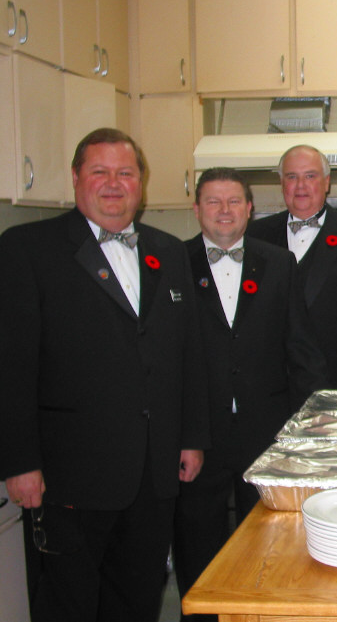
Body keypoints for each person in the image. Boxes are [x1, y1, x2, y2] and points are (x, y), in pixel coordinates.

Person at [0, 128, 209, 622]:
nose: (114, 184)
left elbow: (187, 353)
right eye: (100, 172)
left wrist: (192, 437)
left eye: (125, 173)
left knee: (137, 601)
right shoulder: (27, 248)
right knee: (67, 605)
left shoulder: (168, 251)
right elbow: (11, 363)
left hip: (152, 474)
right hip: (69, 476)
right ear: (76, 177)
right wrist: (19, 462)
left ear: (141, 182)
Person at [173, 168, 326, 620]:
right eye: (213, 202)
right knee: (197, 548)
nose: (224, 211)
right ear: (196, 209)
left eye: (234, 201)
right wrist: (179, 434)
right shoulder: (173, 262)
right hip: (198, 437)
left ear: (250, 208)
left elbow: (301, 349)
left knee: (270, 547)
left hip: (267, 433)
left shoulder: (279, 263)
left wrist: (306, 429)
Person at [247, 145, 337, 389]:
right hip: (271, 390)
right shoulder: (256, 236)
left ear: (326, 182)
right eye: (292, 177)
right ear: (281, 183)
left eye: (310, 176)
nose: (300, 186)